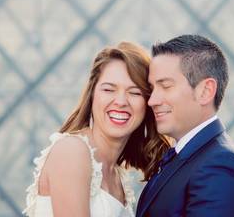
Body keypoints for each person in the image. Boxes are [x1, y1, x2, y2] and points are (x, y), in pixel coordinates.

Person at [24, 41, 170, 217]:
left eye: (135, 92)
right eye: (109, 89)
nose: (121, 101)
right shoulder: (72, 151)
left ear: (147, 103)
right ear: (92, 94)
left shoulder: (117, 175)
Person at [137, 34, 234, 216]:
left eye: (166, 86)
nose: (152, 100)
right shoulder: (194, 158)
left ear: (205, 91)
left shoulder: (220, 166)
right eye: (153, 88)